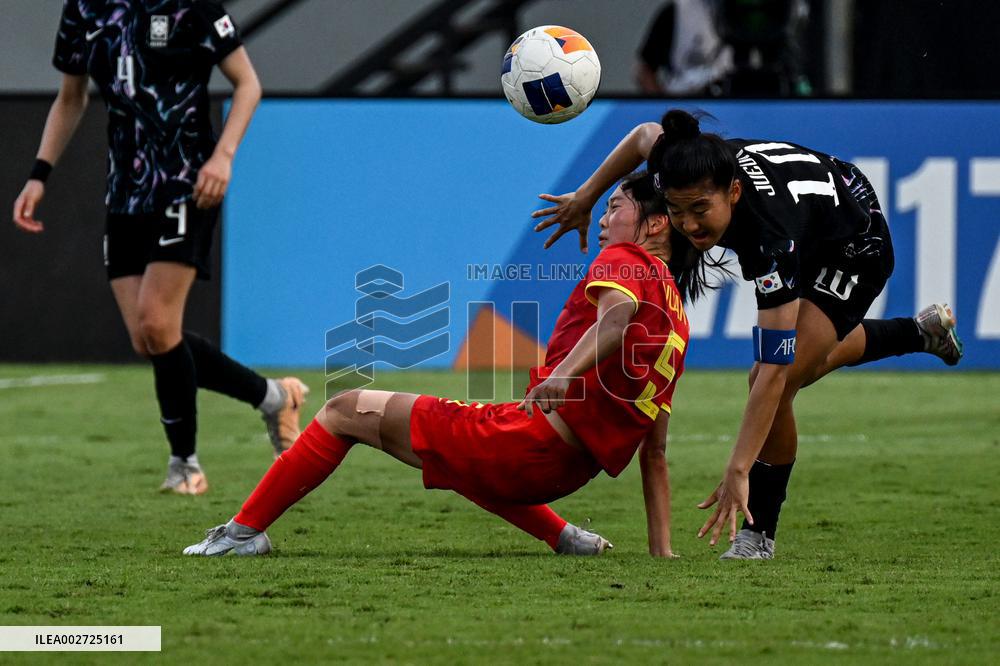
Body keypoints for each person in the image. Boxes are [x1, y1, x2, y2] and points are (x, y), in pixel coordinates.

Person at [183, 173, 696, 557]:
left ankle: (243, 534)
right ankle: (566, 537)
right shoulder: (676, 316)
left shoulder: (625, 260)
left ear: (654, 224)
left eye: (615, 207)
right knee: (459, 456)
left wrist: (563, 376)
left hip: (530, 444)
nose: (603, 220)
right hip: (566, 470)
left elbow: (612, 322)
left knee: (344, 409)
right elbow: (656, 450)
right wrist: (662, 552)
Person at [531, 109, 963, 559]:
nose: (691, 225)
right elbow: (644, 136)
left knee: (775, 377)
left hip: (852, 240)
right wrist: (584, 197)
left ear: (734, 191)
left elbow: (774, 371)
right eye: (677, 212)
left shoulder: (768, 240)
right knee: (797, 360)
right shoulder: (680, 161)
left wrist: (740, 468)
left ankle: (759, 536)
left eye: (701, 210)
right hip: (811, 208)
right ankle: (918, 332)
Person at [11, 1, 308, 495]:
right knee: (147, 337)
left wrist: (223, 158)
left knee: (156, 321)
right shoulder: (85, 9)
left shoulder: (190, 5)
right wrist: (39, 175)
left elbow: (248, 83)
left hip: (189, 183)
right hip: (125, 191)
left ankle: (184, 463)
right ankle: (274, 397)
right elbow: (71, 97)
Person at [635, 0, 733, 96]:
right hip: (681, 100)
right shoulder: (675, 11)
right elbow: (644, 71)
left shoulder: (738, 13)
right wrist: (664, 106)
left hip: (729, 101)